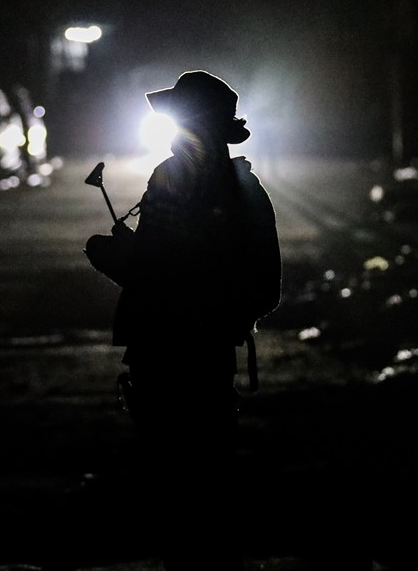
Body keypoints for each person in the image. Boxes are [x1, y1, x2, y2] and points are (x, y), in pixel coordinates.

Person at [85, 70, 281, 570]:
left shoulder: (200, 184)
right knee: (189, 479)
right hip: (186, 353)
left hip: (182, 354)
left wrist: (126, 262)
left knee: (186, 481)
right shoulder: (196, 182)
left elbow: (253, 284)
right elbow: (161, 263)